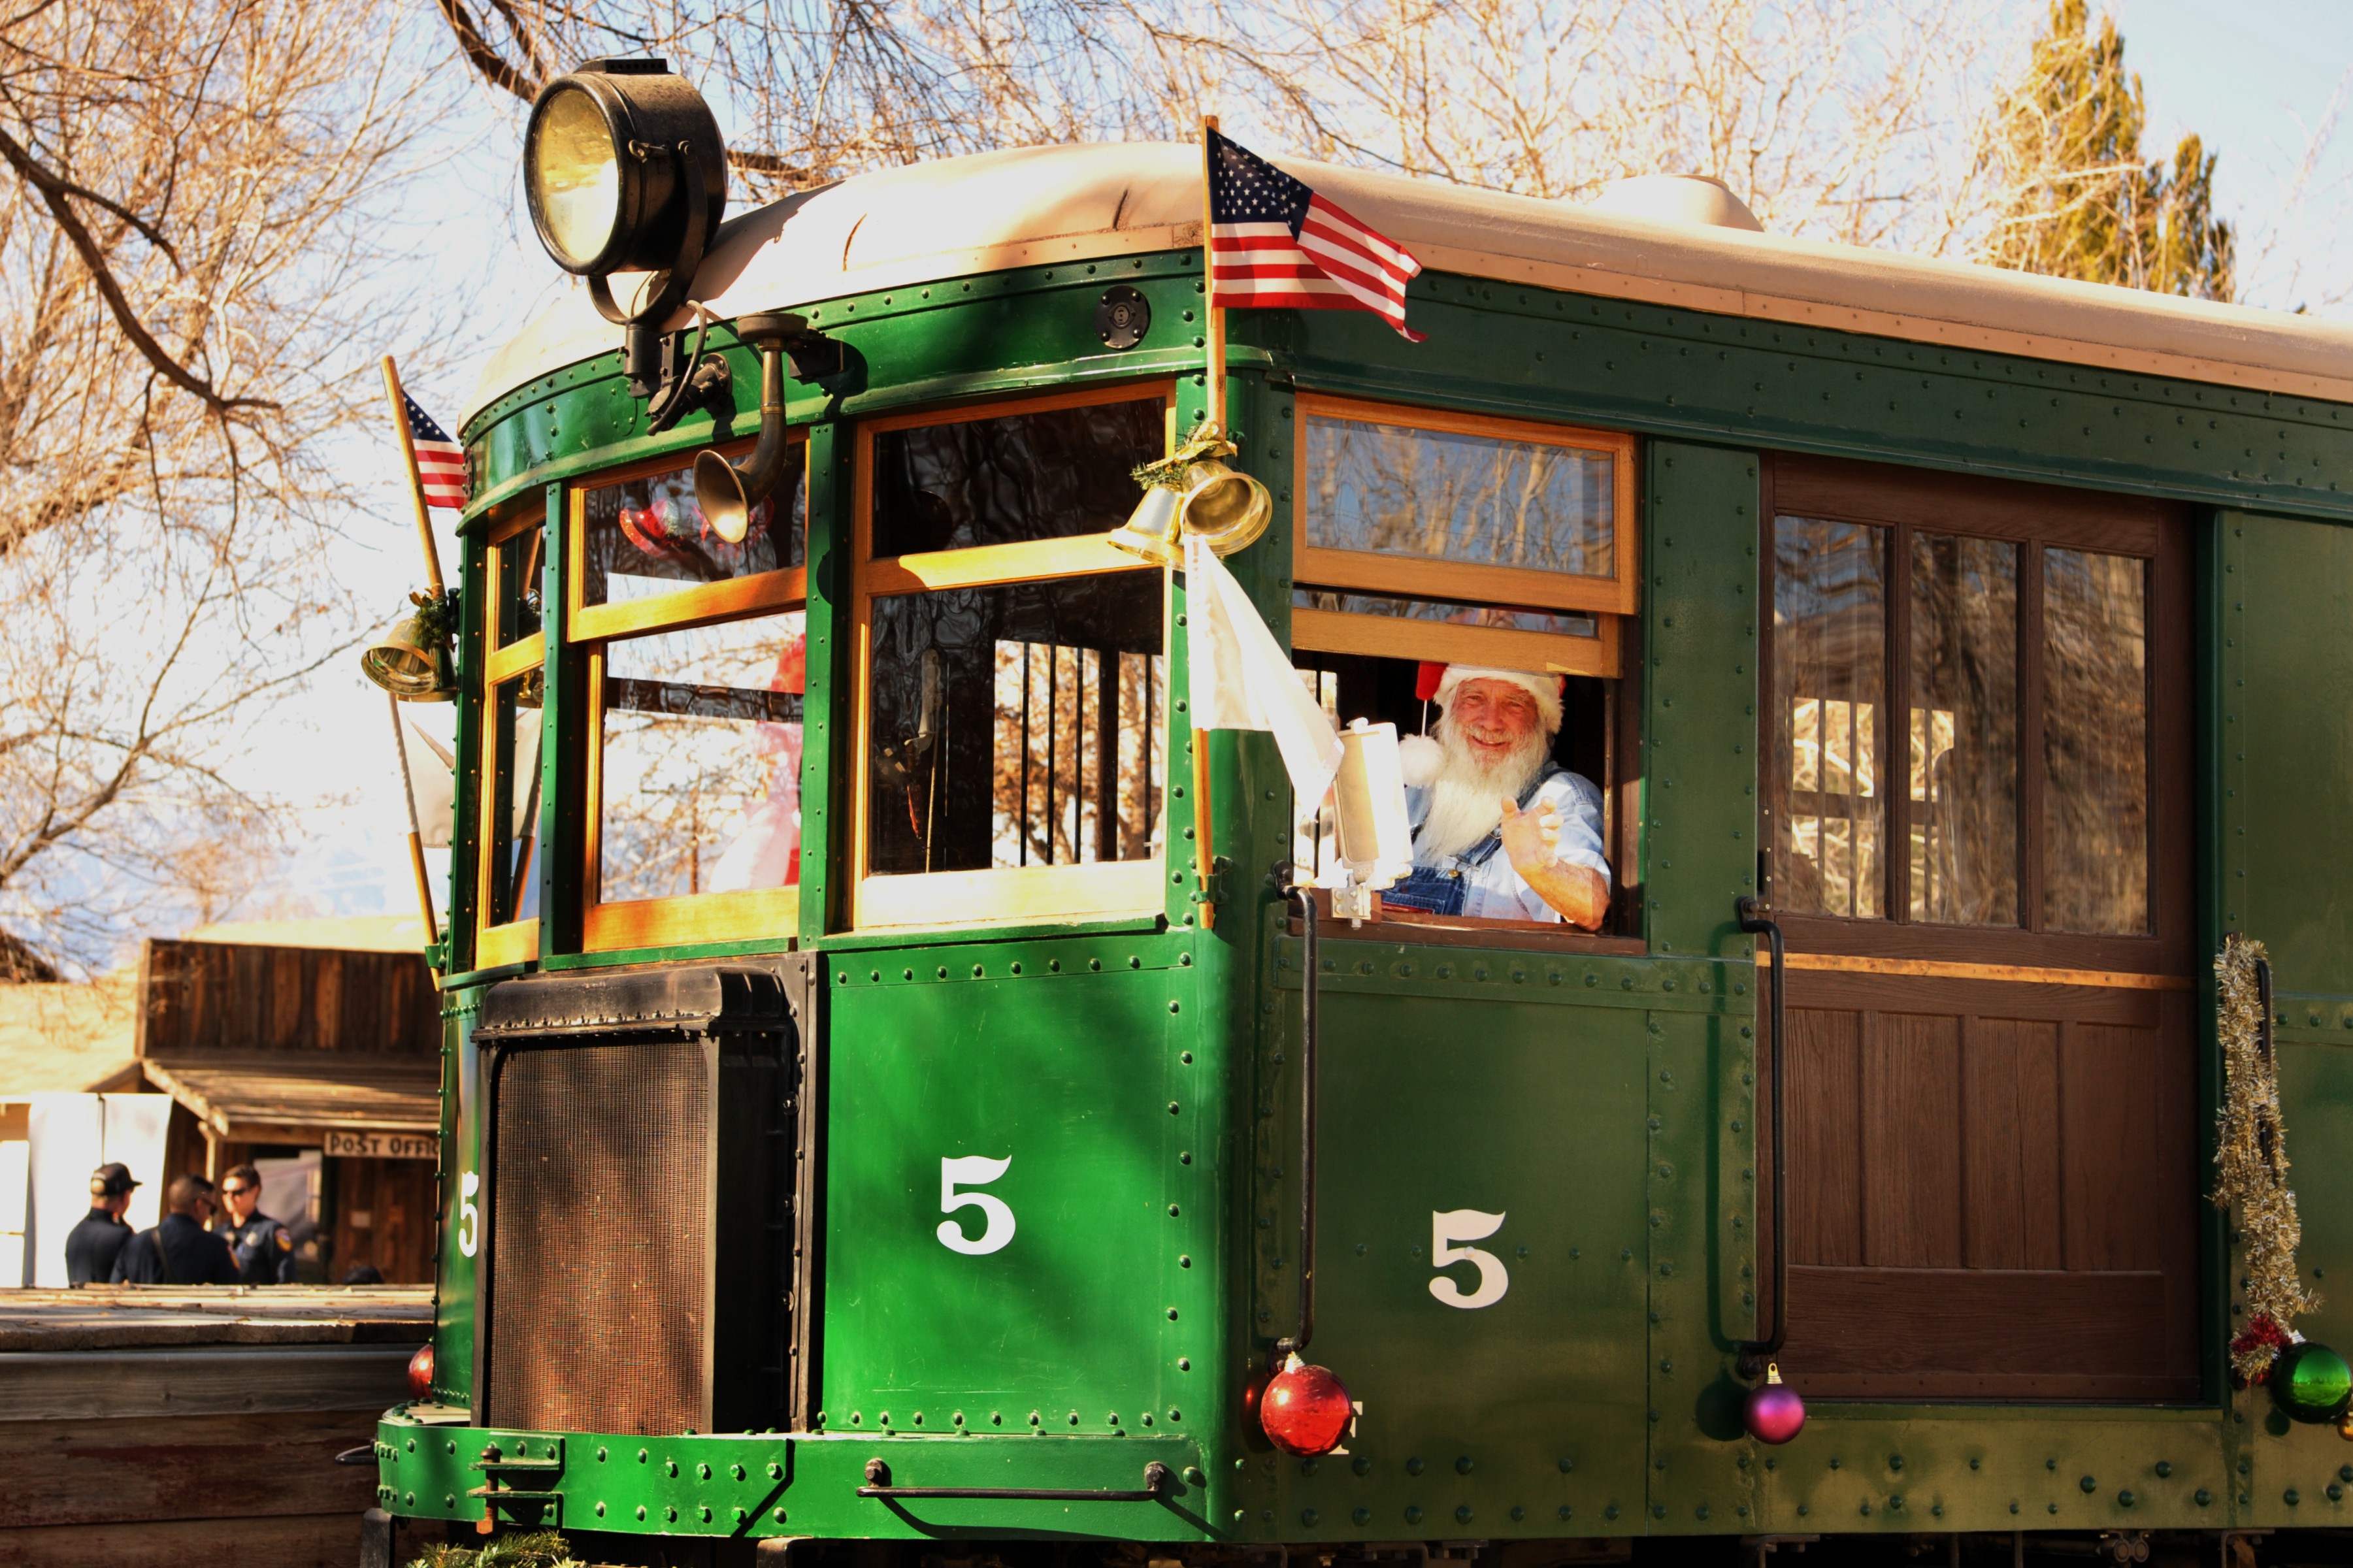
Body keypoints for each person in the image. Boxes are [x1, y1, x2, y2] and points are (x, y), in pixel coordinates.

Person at [1385, 662, 1612, 928]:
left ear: (1541, 720)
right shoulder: (1417, 794)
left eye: (1514, 704)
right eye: (1474, 698)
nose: (1491, 721)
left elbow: (1593, 909)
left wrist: (1542, 869)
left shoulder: (1563, 797)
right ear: (1450, 709)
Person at [111, 1174, 241, 1285]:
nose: (209, 1215)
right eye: (211, 1209)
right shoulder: (217, 1247)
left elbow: (115, 1289)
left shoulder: (134, 1244)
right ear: (199, 1205)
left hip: (142, 1315)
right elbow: (233, 1294)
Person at [214, 1164, 298, 1285]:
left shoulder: (271, 1231)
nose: (230, 1197)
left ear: (255, 1191)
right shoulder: (220, 1233)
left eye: (237, 1192)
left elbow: (286, 1279)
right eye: (225, 1192)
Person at [63, 1163, 140, 1285]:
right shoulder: (123, 1235)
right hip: (108, 1304)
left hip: (75, 1303)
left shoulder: (75, 1233)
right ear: (125, 1196)